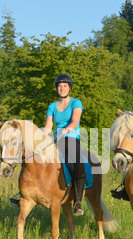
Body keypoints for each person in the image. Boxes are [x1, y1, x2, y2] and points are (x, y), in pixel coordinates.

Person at [43, 74, 86, 216]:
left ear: (69, 88)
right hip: (56, 139)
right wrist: (41, 136)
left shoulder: (76, 103)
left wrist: (64, 132)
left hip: (71, 138)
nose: (61, 88)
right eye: (59, 86)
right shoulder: (52, 106)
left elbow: (74, 122)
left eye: (64, 86)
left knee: (78, 163)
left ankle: (78, 202)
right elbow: (48, 126)